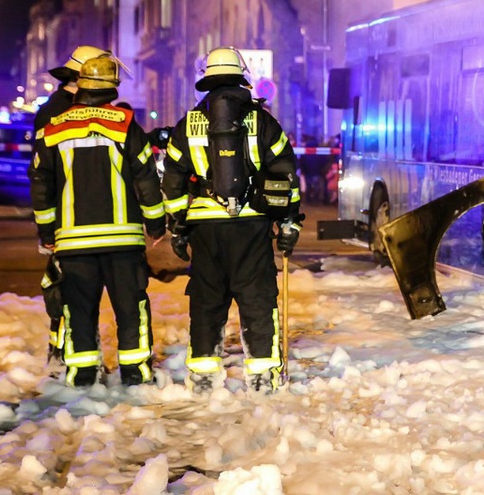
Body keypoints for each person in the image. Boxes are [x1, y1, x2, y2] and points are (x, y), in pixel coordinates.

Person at [160, 47, 302, 393]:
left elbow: (173, 180)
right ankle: (262, 374)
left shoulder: (188, 125)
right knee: (257, 299)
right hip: (252, 227)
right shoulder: (262, 121)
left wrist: (178, 227)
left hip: (205, 230)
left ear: (206, 79)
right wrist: (288, 223)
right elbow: (284, 174)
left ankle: (204, 374)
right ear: (242, 76)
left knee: (207, 301)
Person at [29, 55, 166, 388]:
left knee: (78, 310)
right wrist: (156, 224)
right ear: (112, 88)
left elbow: (40, 183)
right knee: (131, 309)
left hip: (74, 242)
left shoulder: (54, 128)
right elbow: (145, 177)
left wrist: (48, 232)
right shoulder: (125, 124)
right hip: (123, 241)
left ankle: (82, 375)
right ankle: (136, 373)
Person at [34, 45, 112, 375]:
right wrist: (48, 229)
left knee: (71, 290)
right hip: (67, 216)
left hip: (70, 216)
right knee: (67, 291)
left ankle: (67, 353)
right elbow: (44, 173)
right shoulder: (58, 112)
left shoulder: (63, 107)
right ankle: (64, 356)